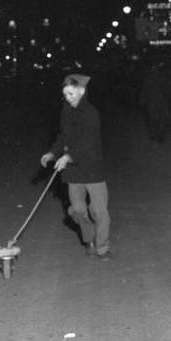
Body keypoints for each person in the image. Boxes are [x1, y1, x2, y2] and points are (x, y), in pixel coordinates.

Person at [40, 73, 111, 259]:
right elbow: (63, 136)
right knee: (78, 210)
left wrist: (67, 157)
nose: (68, 98)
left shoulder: (91, 114)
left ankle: (102, 248)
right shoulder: (66, 111)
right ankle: (90, 240)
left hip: (93, 169)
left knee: (99, 211)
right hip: (74, 173)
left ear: (81, 91)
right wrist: (52, 153)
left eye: (71, 94)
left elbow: (87, 143)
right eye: (65, 95)